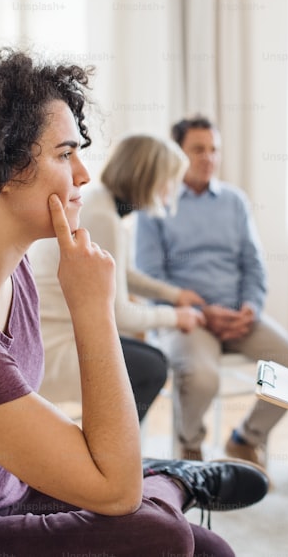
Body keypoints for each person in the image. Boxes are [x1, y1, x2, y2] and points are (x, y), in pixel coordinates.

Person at [0, 50, 268, 557]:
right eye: (64, 154)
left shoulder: (10, 270)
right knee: (160, 534)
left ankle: (162, 478)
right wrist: (93, 309)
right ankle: (171, 481)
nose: (83, 174)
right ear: (1, 169)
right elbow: (116, 492)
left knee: (208, 549)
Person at [135, 115, 288, 465]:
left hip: (238, 316)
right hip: (187, 320)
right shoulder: (155, 203)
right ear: (177, 153)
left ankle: (246, 438)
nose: (208, 157)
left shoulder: (235, 201)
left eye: (214, 149)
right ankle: (190, 446)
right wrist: (201, 314)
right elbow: (150, 278)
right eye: (198, 149)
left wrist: (251, 307)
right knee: (202, 378)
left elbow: (254, 264)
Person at [30, 134, 207, 421]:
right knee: (151, 369)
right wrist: (176, 317)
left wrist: (174, 296)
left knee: (153, 358)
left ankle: (115, 447)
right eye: (167, 181)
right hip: (55, 346)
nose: (169, 190)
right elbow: (121, 315)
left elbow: (120, 272)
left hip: (63, 332)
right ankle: (113, 451)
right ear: (147, 179)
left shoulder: (100, 204)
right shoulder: (104, 218)